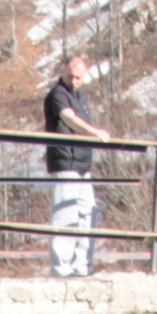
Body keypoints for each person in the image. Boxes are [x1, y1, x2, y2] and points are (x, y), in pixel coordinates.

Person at [43, 51, 112, 277]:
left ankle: (81, 266)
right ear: (63, 72)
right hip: (65, 160)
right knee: (65, 214)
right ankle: (61, 268)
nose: (75, 81)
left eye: (79, 78)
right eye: (71, 76)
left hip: (83, 163)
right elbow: (68, 117)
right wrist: (94, 132)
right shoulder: (58, 94)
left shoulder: (81, 95)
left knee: (87, 213)